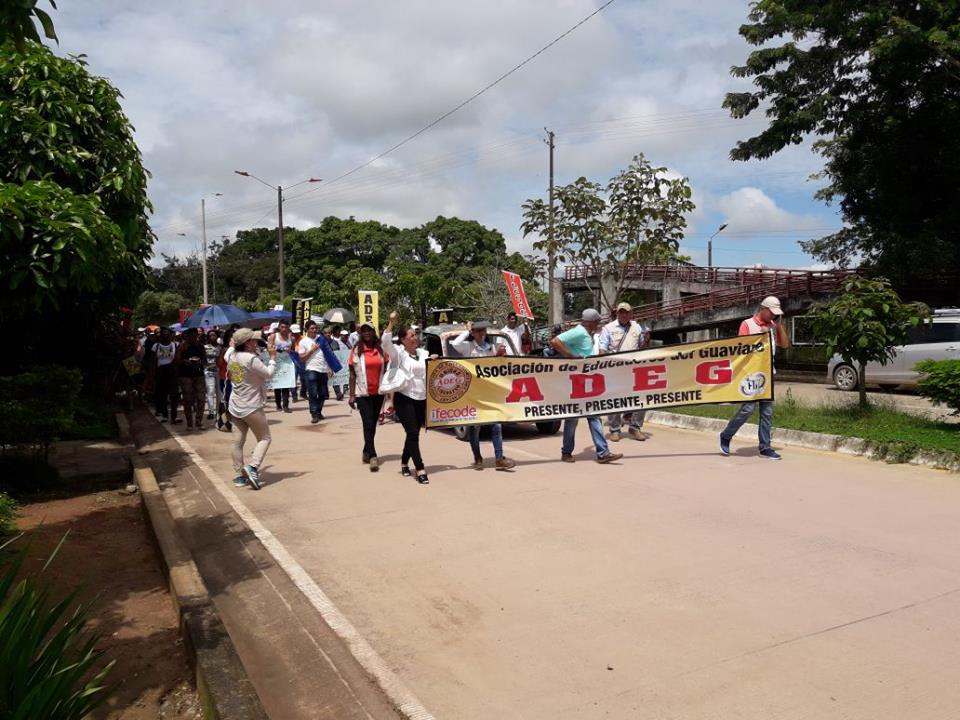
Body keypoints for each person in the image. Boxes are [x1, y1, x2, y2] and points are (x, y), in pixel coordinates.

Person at [720, 296, 790, 460]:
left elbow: (785, 344)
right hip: (750, 375)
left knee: (767, 412)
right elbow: (741, 350)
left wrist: (778, 326)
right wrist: (760, 337)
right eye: (772, 313)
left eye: (776, 314)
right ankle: (726, 435)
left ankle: (765, 447)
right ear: (763, 309)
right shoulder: (747, 325)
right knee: (748, 409)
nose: (773, 316)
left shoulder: (773, 326)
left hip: (768, 374)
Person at [550, 308, 624, 464]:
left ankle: (602, 452)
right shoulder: (579, 332)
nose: (598, 324)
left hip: (586, 382)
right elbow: (555, 341)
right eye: (597, 321)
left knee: (593, 416)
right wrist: (572, 356)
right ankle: (567, 451)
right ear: (591, 322)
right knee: (572, 419)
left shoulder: (585, 333)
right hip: (577, 382)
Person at [450, 321, 516, 471]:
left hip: (489, 392)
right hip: (473, 393)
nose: (481, 333)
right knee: (475, 428)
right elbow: (455, 343)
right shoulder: (468, 347)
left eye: (483, 330)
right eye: (478, 331)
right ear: (473, 333)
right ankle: (477, 458)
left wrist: (501, 356)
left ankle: (499, 458)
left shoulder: (490, 347)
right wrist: (467, 331)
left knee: (496, 425)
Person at [383, 311, 431, 484]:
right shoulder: (398, 354)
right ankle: (420, 468)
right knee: (412, 433)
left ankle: (404, 463)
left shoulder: (423, 353)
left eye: (415, 334)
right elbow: (385, 342)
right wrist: (391, 322)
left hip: (421, 398)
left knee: (413, 434)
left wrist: (434, 360)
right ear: (403, 340)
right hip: (404, 398)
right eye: (411, 335)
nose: (414, 337)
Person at [227, 329, 277, 489]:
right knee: (265, 438)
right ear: (247, 343)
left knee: (237, 442)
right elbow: (268, 374)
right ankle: (253, 466)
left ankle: (240, 476)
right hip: (251, 405)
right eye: (253, 341)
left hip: (235, 405)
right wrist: (273, 358)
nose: (256, 343)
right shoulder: (250, 359)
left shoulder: (232, 356)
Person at [598, 302, 651, 442]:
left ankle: (635, 428)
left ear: (631, 313)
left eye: (626, 312)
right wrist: (602, 365)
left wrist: (646, 341)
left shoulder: (637, 327)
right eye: (621, 312)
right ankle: (615, 429)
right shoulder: (608, 328)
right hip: (614, 369)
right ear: (617, 313)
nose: (624, 315)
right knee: (614, 399)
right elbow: (602, 349)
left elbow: (641, 347)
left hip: (634, 369)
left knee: (642, 398)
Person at [347, 322, 386, 471]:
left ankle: (365, 450)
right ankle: (373, 455)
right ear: (360, 334)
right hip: (362, 393)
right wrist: (351, 395)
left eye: (369, 330)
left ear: (373, 332)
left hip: (379, 392)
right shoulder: (356, 350)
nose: (367, 333)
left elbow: (388, 368)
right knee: (368, 423)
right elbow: (352, 374)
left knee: (372, 424)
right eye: (364, 331)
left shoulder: (381, 349)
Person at [298, 321, 342, 423]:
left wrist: (330, 368)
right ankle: (314, 414)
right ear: (307, 330)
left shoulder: (321, 339)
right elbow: (302, 359)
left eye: (316, 328)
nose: (314, 330)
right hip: (311, 369)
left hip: (323, 370)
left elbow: (328, 355)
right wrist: (312, 350)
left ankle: (318, 411)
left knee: (323, 394)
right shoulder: (303, 342)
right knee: (313, 393)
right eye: (312, 328)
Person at [176, 328, 207, 430]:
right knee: (188, 400)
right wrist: (185, 361)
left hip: (199, 375)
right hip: (185, 376)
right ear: (187, 336)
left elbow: (205, 361)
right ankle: (189, 423)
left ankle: (199, 421)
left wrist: (200, 362)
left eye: (196, 335)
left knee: (201, 399)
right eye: (192, 335)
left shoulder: (200, 346)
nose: (194, 337)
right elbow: (177, 360)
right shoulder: (181, 346)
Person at [151, 327, 180, 424]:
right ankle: (164, 415)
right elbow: (153, 361)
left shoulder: (175, 345)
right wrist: (153, 373)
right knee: (162, 394)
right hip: (160, 372)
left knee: (174, 395)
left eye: (168, 335)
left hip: (172, 371)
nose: (166, 337)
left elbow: (177, 359)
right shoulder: (156, 346)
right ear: (161, 336)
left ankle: (174, 416)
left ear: (171, 335)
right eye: (164, 335)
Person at [272, 321, 294, 413]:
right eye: (282, 327)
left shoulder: (290, 337)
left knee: (286, 384)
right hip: (277, 362)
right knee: (277, 385)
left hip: (287, 363)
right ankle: (278, 405)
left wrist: (290, 350)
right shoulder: (274, 336)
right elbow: (269, 348)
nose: (284, 329)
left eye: (286, 327)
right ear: (279, 327)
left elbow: (293, 349)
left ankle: (285, 405)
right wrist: (279, 349)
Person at [203, 330, 220, 420]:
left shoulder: (220, 347)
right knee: (210, 391)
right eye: (210, 335)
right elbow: (203, 360)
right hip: (209, 371)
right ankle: (211, 411)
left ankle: (218, 410)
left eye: (214, 335)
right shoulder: (205, 347)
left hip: (219, 371)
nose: (212, 337)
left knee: (219, 392)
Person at [289, 323, 305, 401]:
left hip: (302, 360)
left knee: (303, 378)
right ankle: (294, 395)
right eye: (294, 333)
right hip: (293, 361)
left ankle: (303, 392)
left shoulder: (304, 339)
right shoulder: (289, 340)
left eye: (297, 333)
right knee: (293, 378)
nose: (296, 334)